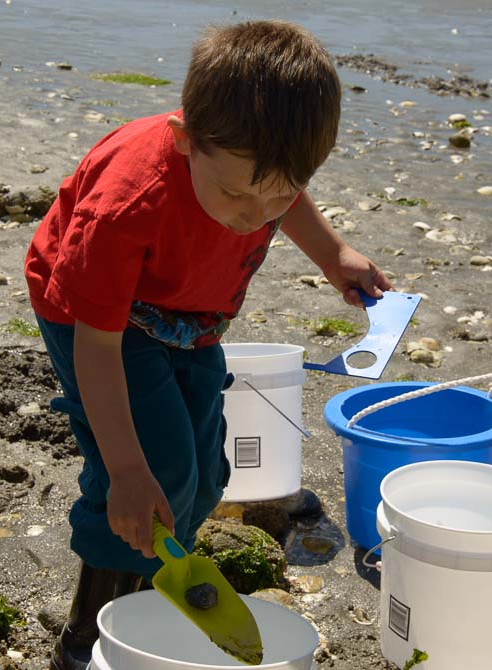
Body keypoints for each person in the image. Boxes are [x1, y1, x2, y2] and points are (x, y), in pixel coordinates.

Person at [24, 19, 392, 670]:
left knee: (203, 476)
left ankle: (149, 587)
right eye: (233, 195)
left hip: (189, 319)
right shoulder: (127, 204)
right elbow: (97, 350)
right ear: (185, 141)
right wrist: (129, 473)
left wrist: (334, 255)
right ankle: (84, 641)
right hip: (98, 324)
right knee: (145, 475)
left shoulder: (255, 165)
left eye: (275, 195)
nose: (253, 216)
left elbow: (283, 194)